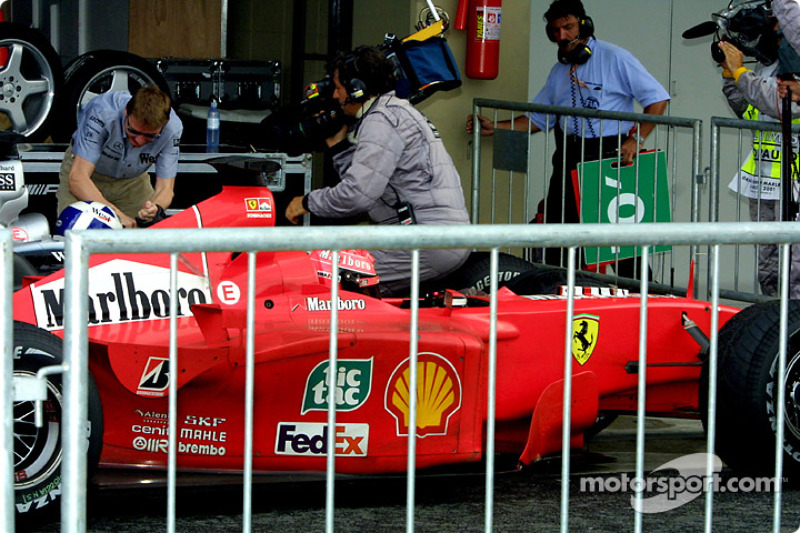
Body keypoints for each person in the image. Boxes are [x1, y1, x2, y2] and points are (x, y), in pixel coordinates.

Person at [466, 0, 669, 274]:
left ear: (584, 25)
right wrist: (498, 127)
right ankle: (564, 293)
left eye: (568, 27)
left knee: (620, 241)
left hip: (610, 154)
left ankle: (641, 300)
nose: (562, 36)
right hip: (568, 155)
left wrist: (638, 140)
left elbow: (657, 99)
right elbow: (539, 118)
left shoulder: (614, 57)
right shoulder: (559, 72)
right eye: (555, 31)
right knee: (560, 232)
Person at [284, 46, 471, 296]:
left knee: (319, 274)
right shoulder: (395, 110)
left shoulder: (381, 120)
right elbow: (374, 184)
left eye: (339, 88)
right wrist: (339, 148)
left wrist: (306, 202)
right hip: (432, 237)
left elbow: (357, 196)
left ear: (356, 88)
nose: (337, 97)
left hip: (425, 241)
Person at [719, 19, 800, 297]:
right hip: (763, 181)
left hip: (794, 187)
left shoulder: (794, 68)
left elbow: (775, 103)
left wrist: (740, 71)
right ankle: (769, 322)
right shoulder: (764, 67)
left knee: (795, 267)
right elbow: (747, 107)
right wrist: (731, 76)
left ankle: (793, 330)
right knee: (768, 265)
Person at [57, 86, 183, 229]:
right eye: (133, 131)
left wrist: (155, 208)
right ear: (126, 113)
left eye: (150, 136)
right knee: (72, 234)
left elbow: (165, 189)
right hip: (88, 175)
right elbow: (78, 178)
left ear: (164, 125)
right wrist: (115, 215)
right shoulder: (103, 111)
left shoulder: (173, 128)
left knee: (144, 238)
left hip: (132, 180)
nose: (139, 141)